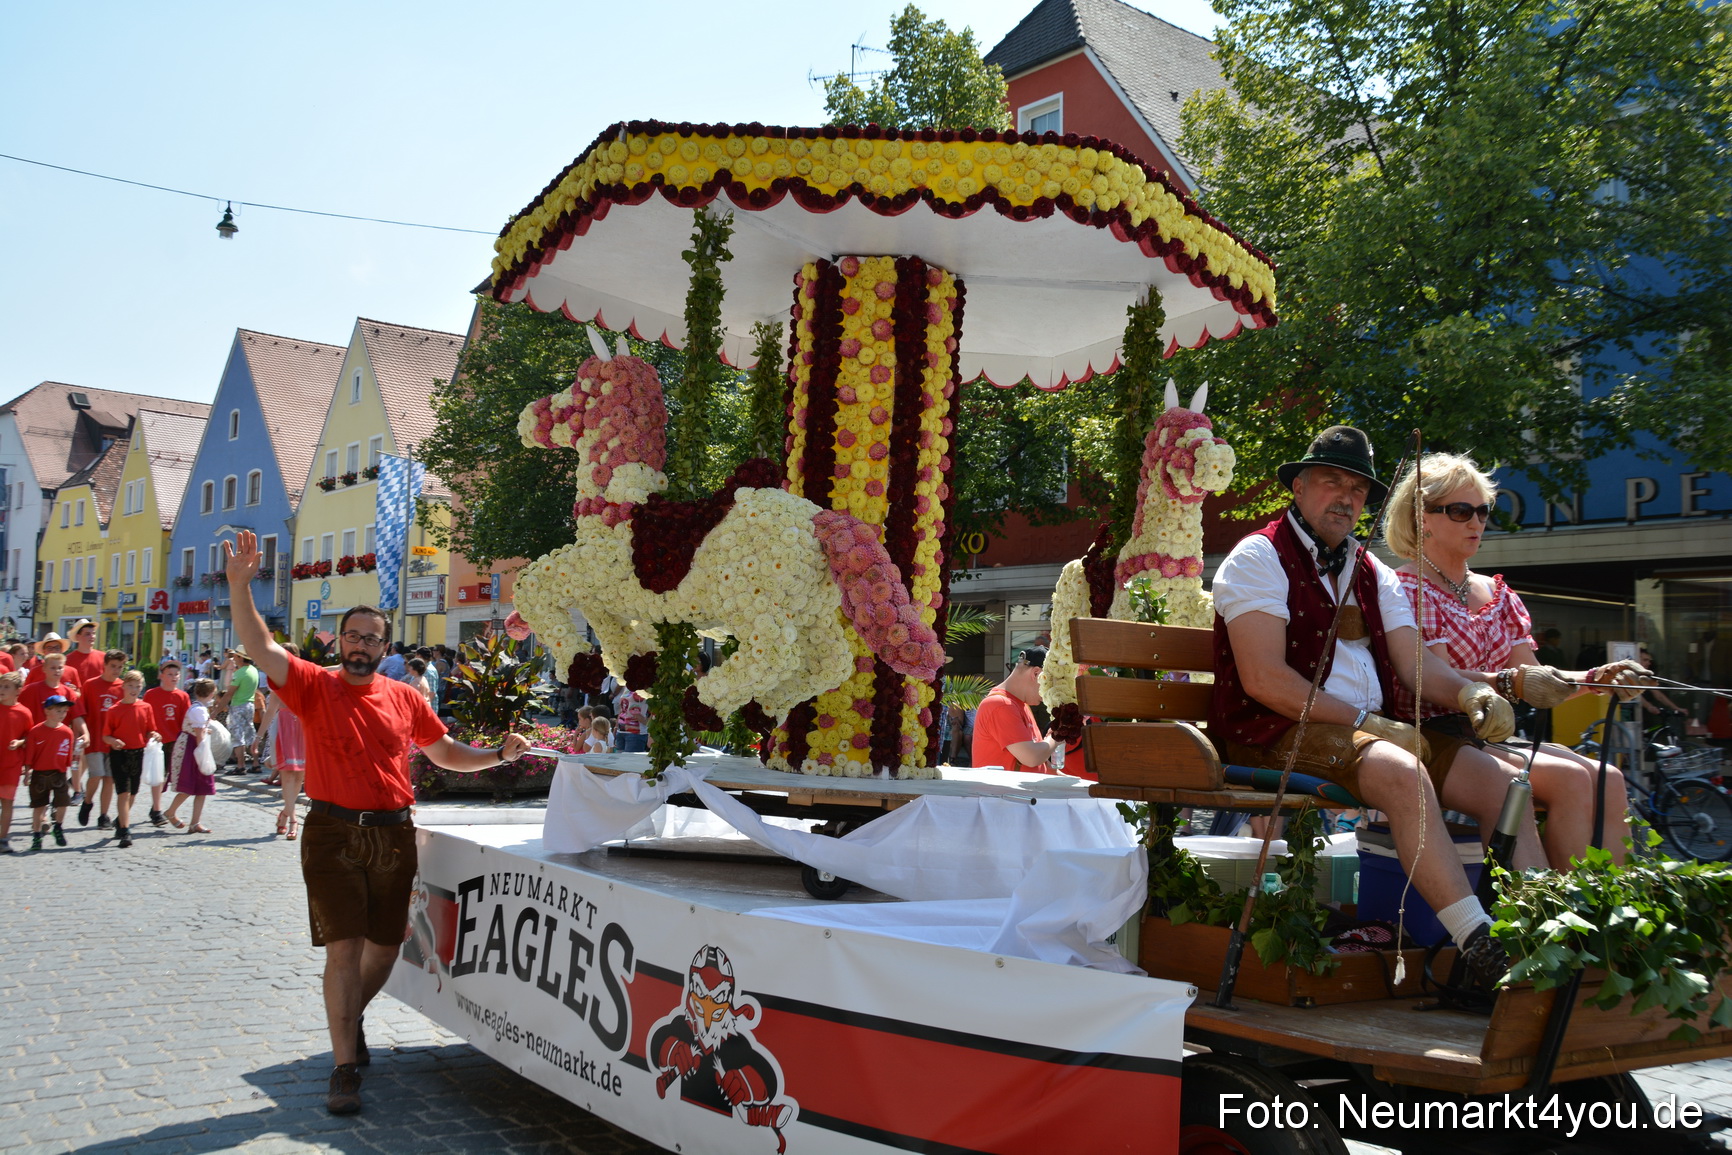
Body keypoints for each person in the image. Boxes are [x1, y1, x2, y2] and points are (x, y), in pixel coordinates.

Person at [223, 529, 532, 1117]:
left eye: (372, 637)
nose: (361, 644)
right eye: (353, 635)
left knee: (385, 950)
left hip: (392, 832)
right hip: (333, 832)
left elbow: (443, 754)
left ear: (385, 644)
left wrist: (498, 755)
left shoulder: (405, 696)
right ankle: (344, 1068)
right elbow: (259, 646)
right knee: (344, 950)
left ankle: (348, 1018)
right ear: (339, 640)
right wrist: (241, 586)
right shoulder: (313, 684)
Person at [1210, 426, 1519, 1006]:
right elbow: (1265, 681)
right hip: (1272, 731)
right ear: (1299, 487)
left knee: (1504, 787)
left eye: (1358, 487)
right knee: (1404, 773)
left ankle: (1539, 939)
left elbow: (1413, 663)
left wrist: (1469, 694)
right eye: (1332, 481)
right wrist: (1369, 725)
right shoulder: (1258, 556)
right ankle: (1477, 944)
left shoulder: (1370, 569)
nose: (1347, 497)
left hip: (1367, 734)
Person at [1384, 452, 1648, 868]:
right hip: (1430, 736)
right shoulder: (1405, 588)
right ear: (1423, 517)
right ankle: (1562, 917)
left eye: (1483, 510)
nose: (1476, 521)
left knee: (1611, 779)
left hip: (1490, 736)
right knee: (1571, 778)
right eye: (1460, 510)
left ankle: (1614, 913)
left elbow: (1535, 680)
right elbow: (1437, 680)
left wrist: (1601, 678)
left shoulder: (1499, 594)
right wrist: (1512, 682)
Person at [972, 647, 1061, 773]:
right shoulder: (1001, 704)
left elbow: (1040, 764)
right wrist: (1056, 736)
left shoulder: (1019, 705)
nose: (1050, 692)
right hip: (1004, 792)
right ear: (1036, 673)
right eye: (1050, 684)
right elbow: (1031, 757)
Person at [101, 671, 159, 849]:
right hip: (119, 754)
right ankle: (125, 831)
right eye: (131, 686)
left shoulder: (145, 707)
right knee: (123, 793)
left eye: (138, 686)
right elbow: (105, 736)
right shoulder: (114, 710)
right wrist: (113, 741)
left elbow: (150, 729)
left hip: (138, 753)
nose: (134, 690)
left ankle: (120, 821)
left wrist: (155, 735)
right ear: (123, 686)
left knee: (133, 793)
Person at [22, 650, 87, 805]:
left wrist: (85, 733)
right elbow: (19, 710)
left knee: (58, 778)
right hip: (38, 742)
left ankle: (55, 812)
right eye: (52, 667)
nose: (57, 671)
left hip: (58, 743)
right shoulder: (32, 689)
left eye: (60, 667)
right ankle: (42, 814)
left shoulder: (67, 692)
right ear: (44, 669)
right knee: (39, 779)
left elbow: (77, 715)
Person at [78, 649, 129, 830]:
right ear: (104, 666)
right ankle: (87, 801)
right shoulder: (90, 685)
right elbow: (80, 712)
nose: (116, 670)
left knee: (109, 779)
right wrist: (83, 733)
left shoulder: (123, 687)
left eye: (120, 667)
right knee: (96, 774)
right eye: (113, 666)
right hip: (95, 739)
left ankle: (103, 816)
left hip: (114, 742)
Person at [163, 679, 219, 834]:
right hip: (192, 748)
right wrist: (203, 754)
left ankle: (195, 822)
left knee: (202, 786)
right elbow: (199, 734)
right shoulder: (199, 710)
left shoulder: (198, 708)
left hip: (191, 745)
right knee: (190, 784)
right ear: (211, 693)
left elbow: (199, 730)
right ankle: (171, 812)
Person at [25, 695, 77, 851]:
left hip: (59, 773)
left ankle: (58, 827)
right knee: (39, 805)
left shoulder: (67, 732)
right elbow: (30, 754)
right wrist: (27, 772)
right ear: (47, 711)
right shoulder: (36, 731)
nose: (62, 714)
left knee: (63, 802)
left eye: (65, 711)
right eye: (58, 710)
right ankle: (36, 835)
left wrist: (71, 774)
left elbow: (68, 756)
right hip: (39, 773)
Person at [144, 660, 191, 828]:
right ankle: (156, 810)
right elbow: (145, 716)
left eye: (176, 674)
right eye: (169, 674)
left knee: (173, 777)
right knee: (159, 775)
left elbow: (186, 719)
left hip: (176, 741)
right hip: (157, 740)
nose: (173, 677)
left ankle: (156, 808)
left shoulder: (182, 696)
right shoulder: (151, 694)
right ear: (161, 676)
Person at [0, 672, 31, 853]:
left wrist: (20, 742)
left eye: (6, 687)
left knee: (7, 802)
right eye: (1, 686)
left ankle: (3, 839)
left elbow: (29, 738)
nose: (2, 690)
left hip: (11, 764)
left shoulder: (24, 713)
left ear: (18, 691)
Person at [219, 647, 261, 777]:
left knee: (238, 737)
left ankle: (240, 766)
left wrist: (216, 711)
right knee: (250, 733)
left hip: (238, 706)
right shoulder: (253, 671)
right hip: (250, 704)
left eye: (236, 656)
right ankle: (255, 763)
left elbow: (229, 694)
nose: (234, 659)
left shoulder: (240, 673)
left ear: (241, 658)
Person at [614, 687, 648, 753]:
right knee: (619, 761)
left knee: (630, 761)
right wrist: (616, 726)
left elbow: (654, 711)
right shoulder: (627, 686)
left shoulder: (646, 687)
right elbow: (622, 708)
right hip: (621, 731)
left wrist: (645, 721)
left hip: (636, 733)